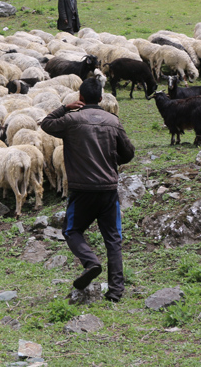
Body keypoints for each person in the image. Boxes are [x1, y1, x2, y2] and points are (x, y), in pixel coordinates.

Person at [41, 78, 134, 302]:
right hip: (108, 190)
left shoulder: (71, 120)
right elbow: (128, 153)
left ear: (80, 98)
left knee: (72, 231)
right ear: (101, 97)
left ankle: (91, 262)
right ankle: (115, 292)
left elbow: (46, 123)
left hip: (82, 189)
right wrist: (112, 159)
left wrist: (65, 107)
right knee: (113, 239)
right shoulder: (112, 121)